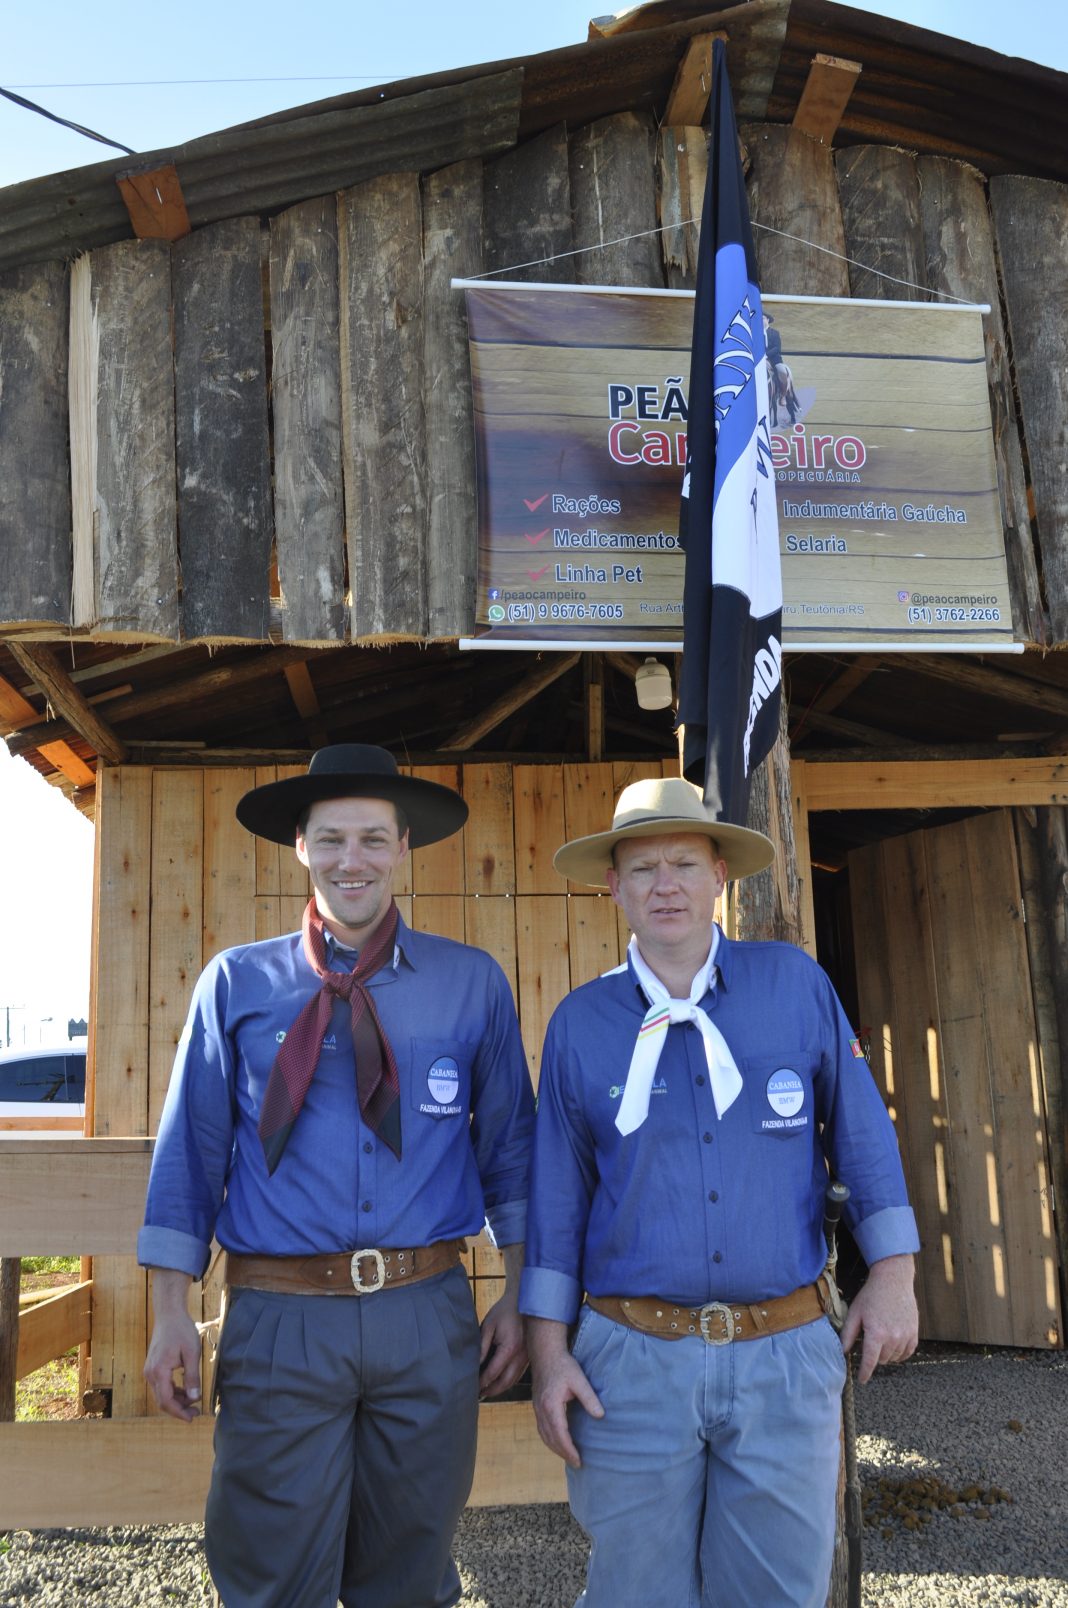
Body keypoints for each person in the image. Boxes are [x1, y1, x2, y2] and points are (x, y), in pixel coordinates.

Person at [139, 744, 535, 1608]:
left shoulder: (471, 985)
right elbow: (191, 1158)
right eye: (330, 839)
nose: (351, 860)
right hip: (281, 1318)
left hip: (425, 1316)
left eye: (371, 839)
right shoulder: (234, 985)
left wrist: (520, 1294)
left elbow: (511, 1151)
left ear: (402, 847)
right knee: (272, 1578)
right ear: (300, 847)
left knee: (411, 1577)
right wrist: (169, 1311)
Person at [521, 776, 919, 1608]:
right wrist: (550, 1356)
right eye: (643, 869)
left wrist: (893, 1275)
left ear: (719, 877)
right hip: (630, 1362)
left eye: (684, 865)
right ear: (613, 886)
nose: (664, 885)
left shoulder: (794, 986)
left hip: (784, 1353)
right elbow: (557, 1204)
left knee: (776, 1594)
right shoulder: (580, 1025)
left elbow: (862, 1133)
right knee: (635, 1595)